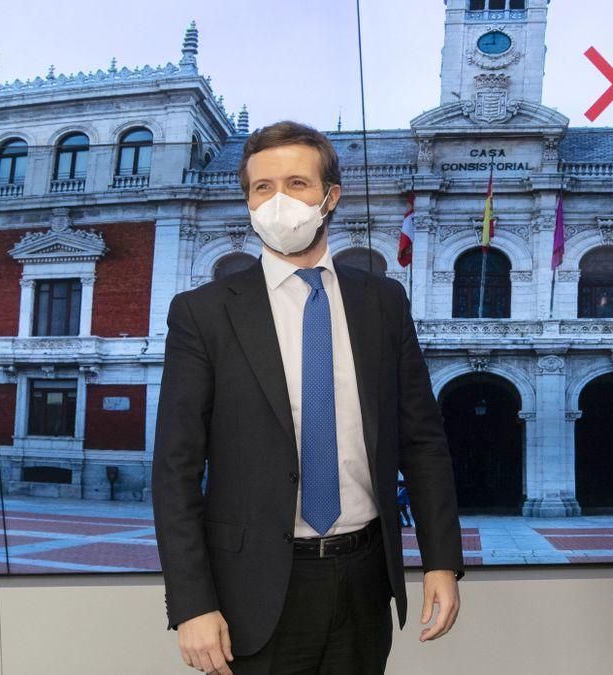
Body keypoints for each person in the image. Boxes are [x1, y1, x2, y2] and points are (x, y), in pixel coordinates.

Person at [153, 120, 464, 674]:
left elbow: (423, 442)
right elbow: (175, 469)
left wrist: (441, 562)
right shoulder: (202, 313)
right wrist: (193, 603)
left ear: (329, 197)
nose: (278, 201)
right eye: (261, 188)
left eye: (296, 184)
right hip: (254, 587)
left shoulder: (383, 303)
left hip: (366, 578)